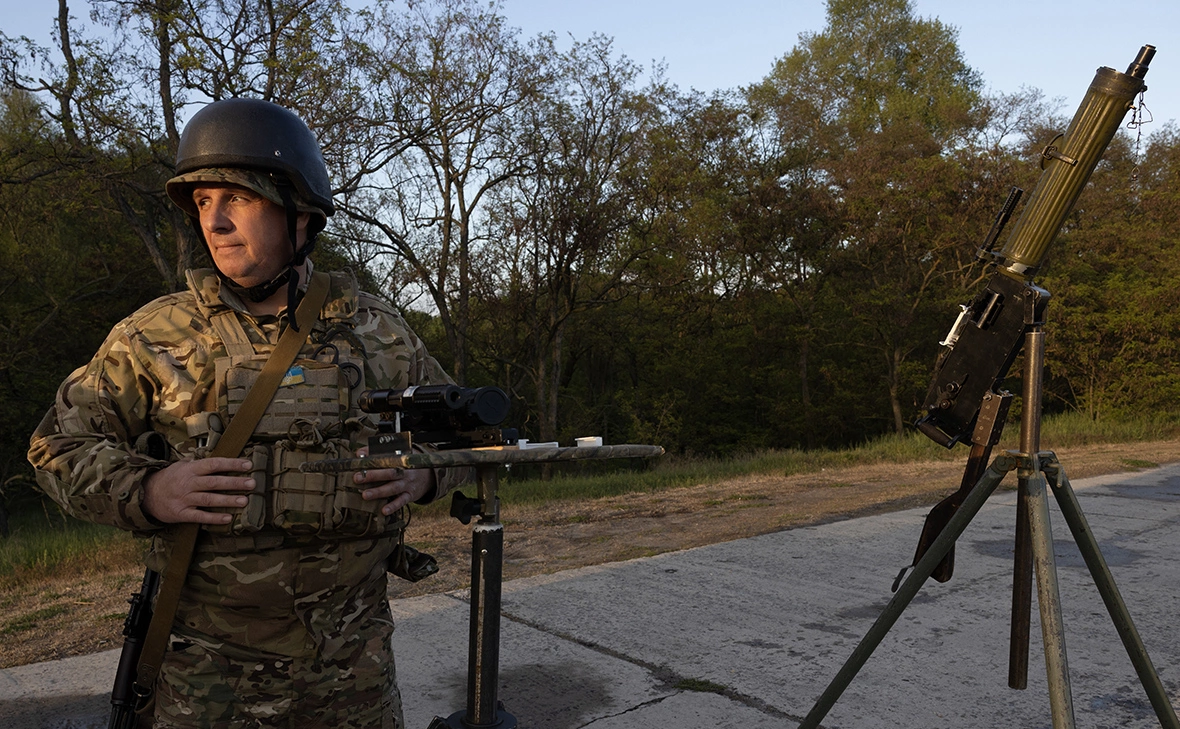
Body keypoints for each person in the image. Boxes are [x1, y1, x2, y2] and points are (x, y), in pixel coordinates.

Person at [27, 97, 461, 728]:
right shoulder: (154, 336)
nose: (216, 221)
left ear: (301, 213)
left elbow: (468, 432)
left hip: (353, 673)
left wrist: (421, 474)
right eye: (203, 201)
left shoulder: (379, 331)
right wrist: (148, 489)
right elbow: (56, 448)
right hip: (208, 683)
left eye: (240, 198)